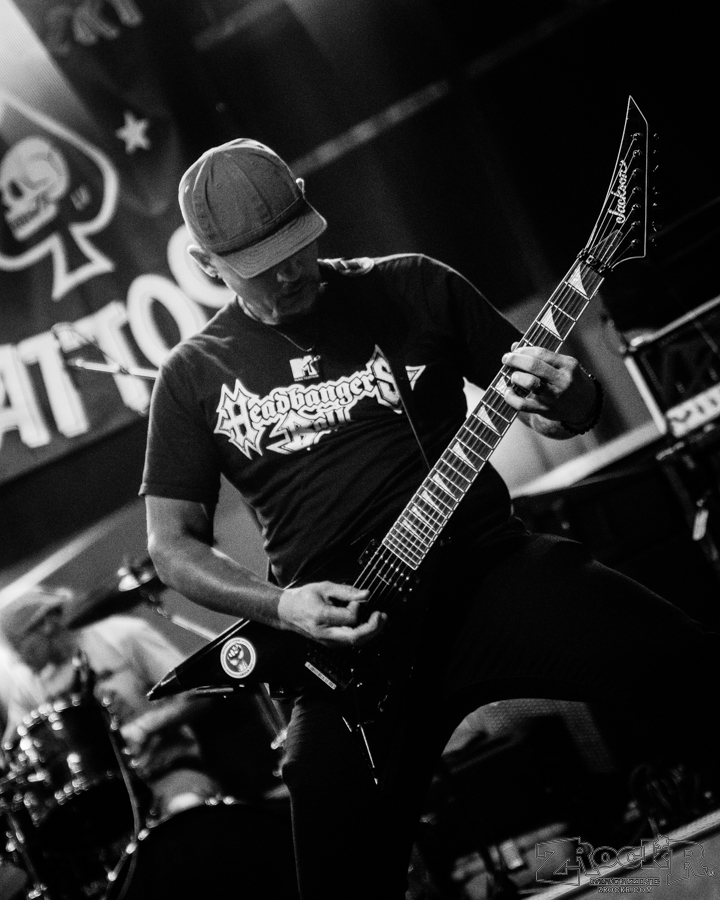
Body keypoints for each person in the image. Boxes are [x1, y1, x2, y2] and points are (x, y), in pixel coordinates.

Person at [140, 138, 718, 899]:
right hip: (349, 647)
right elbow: (172, 547)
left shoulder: (411, 285)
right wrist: (283, 606)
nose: (289, 271)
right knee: (339, 873)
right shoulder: (192, 373)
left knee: (687, 665)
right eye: (260, 265)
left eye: (296, 245)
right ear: (208, 265)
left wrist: (572, 391)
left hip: (489, 574)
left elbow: (556, 409)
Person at [0, 588, 219, 821]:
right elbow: (12, 748)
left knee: (184, 812)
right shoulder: (27, 685)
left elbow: (197, 691)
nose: (18, 659)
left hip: (167, 769)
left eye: (18, 644)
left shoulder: (124, 634)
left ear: (45, 625)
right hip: (102, 799)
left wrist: (143, 728)